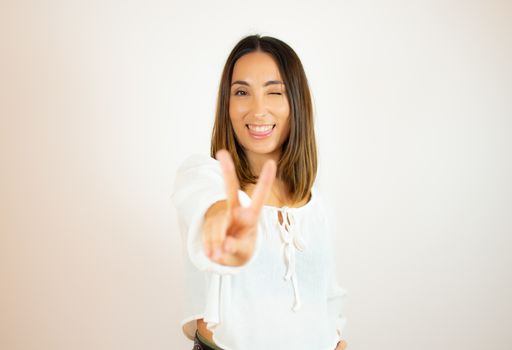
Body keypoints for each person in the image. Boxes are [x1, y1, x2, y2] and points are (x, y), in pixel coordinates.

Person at [171, 34, 348, 350]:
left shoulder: (314, 198)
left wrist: (334, 340)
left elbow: (327, 296)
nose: (257, 110)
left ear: (296, 102)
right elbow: (211, 211)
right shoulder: (203, 176)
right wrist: (226, 229)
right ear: (226, 103)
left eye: (274, 92)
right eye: (241, 92)